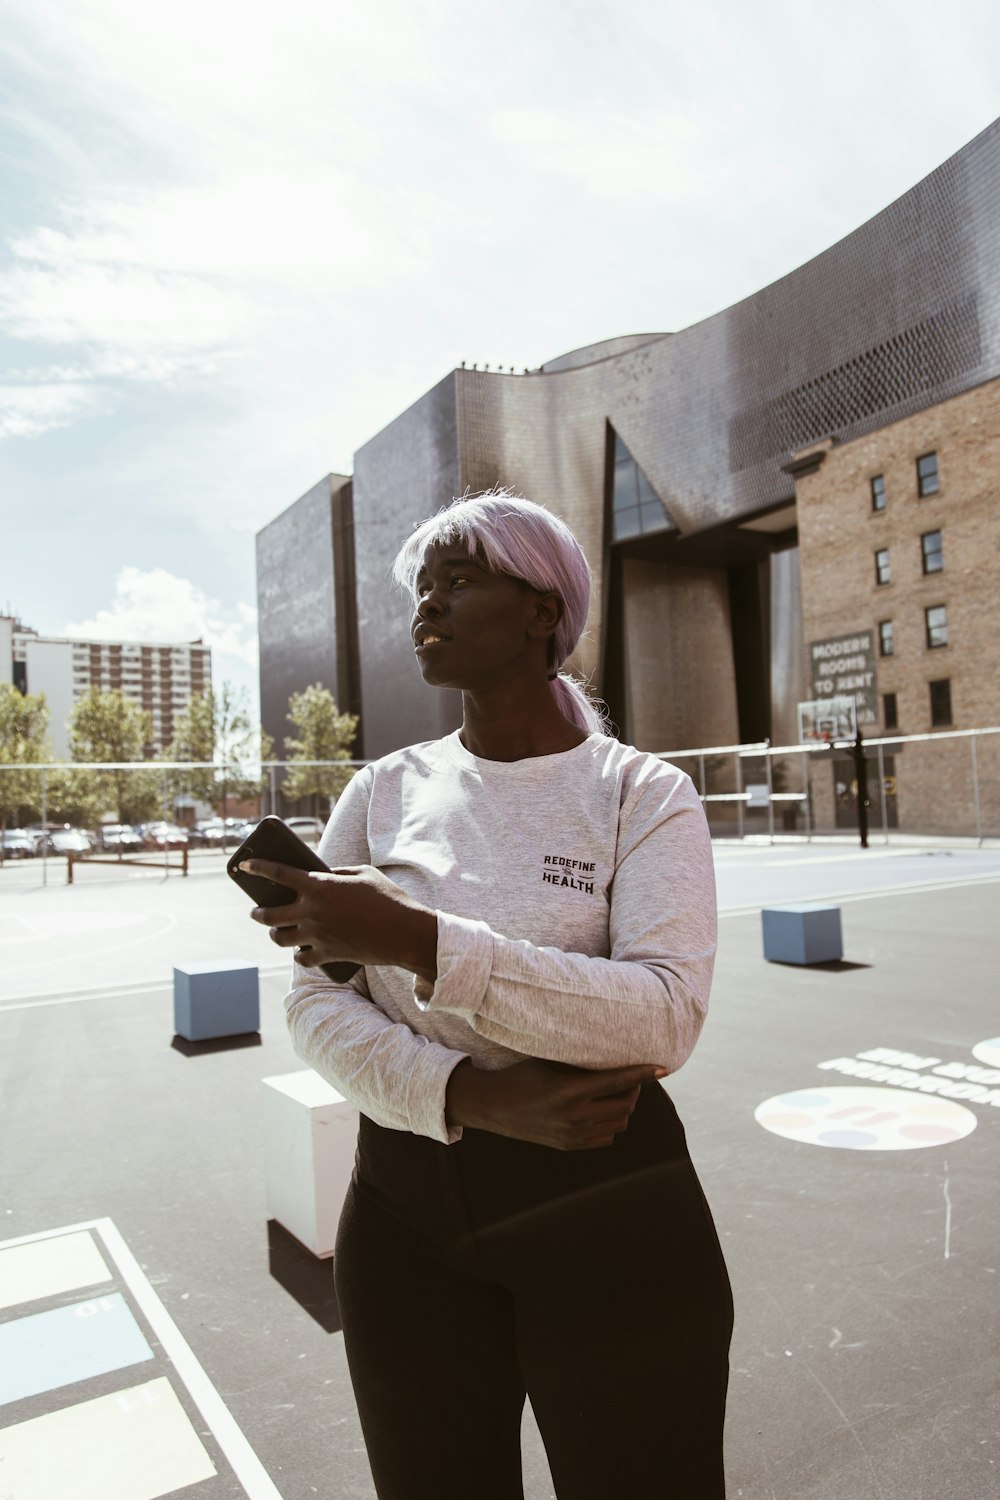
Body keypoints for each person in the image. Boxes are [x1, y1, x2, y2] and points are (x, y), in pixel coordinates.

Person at [240, 489, 733, 1500]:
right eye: (421, 588)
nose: (427, 606)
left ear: (543, 610)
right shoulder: (381, 791)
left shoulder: (639, 793)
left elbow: (662, 1016)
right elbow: (315, 1003)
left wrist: (418, 942)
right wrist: (466, 1095)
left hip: (608, 1205)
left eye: (458, 581)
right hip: (405, 1214)